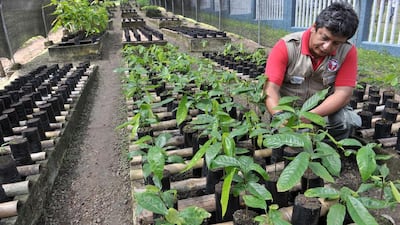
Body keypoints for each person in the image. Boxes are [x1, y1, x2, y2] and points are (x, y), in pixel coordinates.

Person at [264, 2, 361, 140]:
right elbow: (270, 89)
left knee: (346, 121)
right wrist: (280, 117)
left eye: (336, 43)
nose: (327, 47)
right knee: (287, 141)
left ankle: (330, 151)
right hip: (289, 111)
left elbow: (343, 94)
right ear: (314, 27)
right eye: (325, 38)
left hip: (323, 111)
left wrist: (309, 117)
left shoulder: (347, 52)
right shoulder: (287, 47)